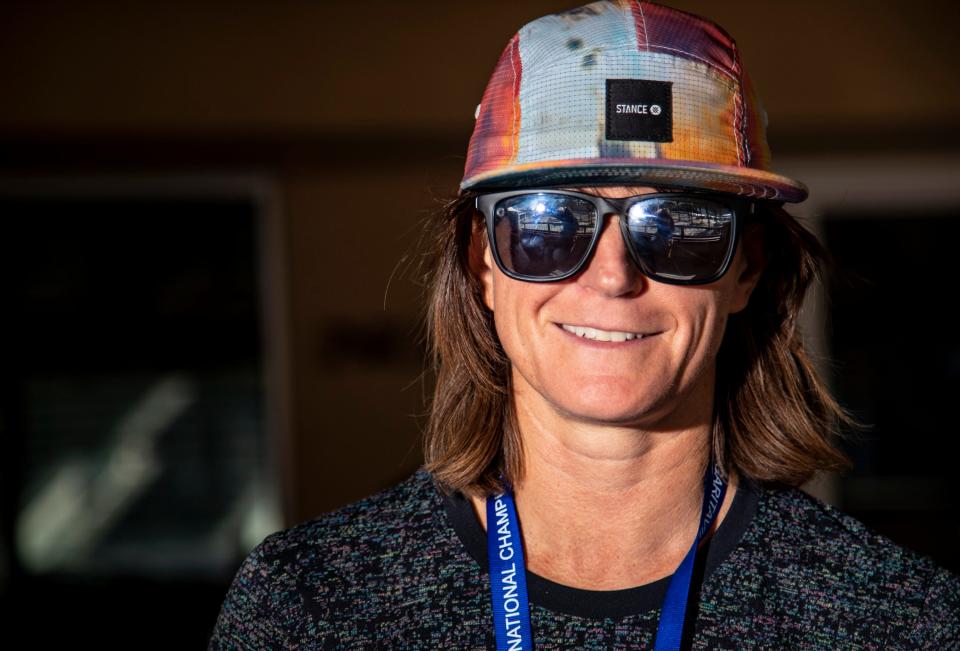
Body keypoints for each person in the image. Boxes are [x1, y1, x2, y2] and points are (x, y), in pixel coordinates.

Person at [207, 1, 960, 649]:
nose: (612, 275)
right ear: (482, 264)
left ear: (746, 268)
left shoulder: (895, 619)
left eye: (676, 225)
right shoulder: (310, 608)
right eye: (547, 224)